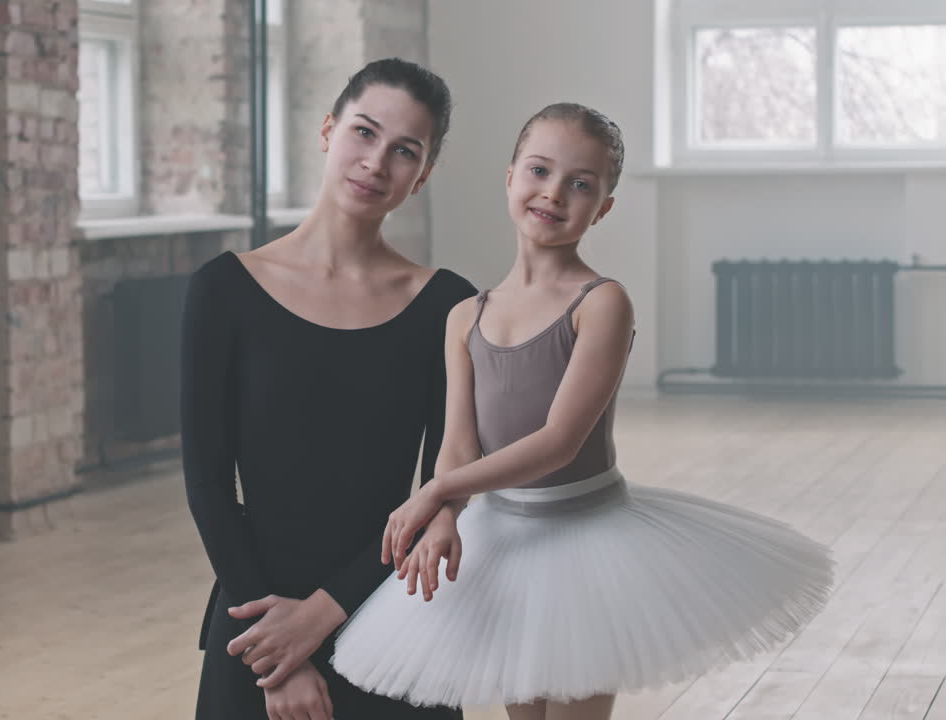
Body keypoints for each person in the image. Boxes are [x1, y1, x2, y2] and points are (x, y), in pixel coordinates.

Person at [329, 103, 835, 720]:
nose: (554, 193)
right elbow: (460, 443)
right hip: (505, 543)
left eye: (581, 184)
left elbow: (559, 442)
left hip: (588, 538)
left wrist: (432, 492)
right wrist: (443, 514)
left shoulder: (602, 303)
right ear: (510, 176)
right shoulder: (465, 316)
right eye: (539, 170)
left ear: (605, 207)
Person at [182, 57, 477, 719]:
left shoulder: (447, 305)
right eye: (364, 133)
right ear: (327, 130)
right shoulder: (223, 291)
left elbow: (444, 487)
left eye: (405, 151)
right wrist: (274, 654)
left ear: (422, 175)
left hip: (392, 616)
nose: (377, 162)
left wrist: (323, 613)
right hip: (254, 617)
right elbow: (206, 486)